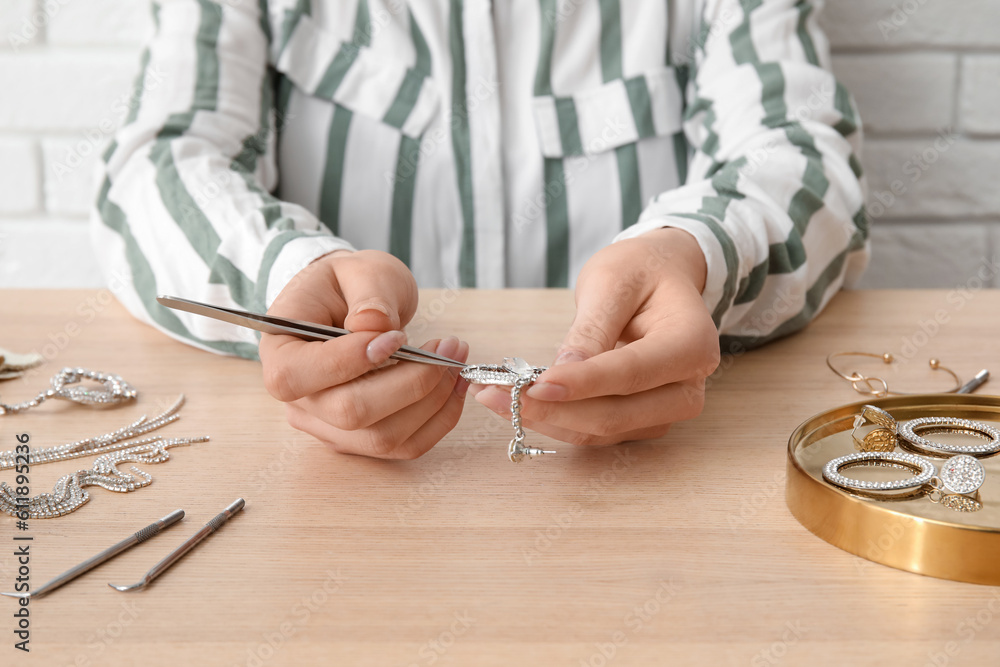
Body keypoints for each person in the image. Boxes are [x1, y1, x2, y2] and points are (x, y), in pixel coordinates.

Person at [91, 0, 868, 460]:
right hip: (349, 513)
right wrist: (289, 276)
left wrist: (699, 250)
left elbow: (798, 154)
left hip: (644, 500)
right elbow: (157, 165)